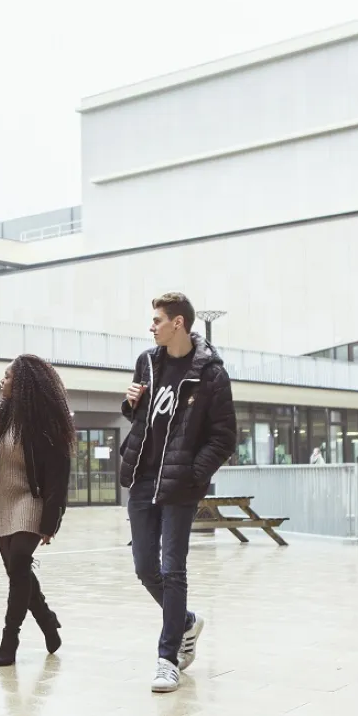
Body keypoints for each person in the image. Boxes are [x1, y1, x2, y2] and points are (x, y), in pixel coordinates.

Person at [121, 293, 236, 693]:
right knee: (144, 567)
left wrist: (192, 474)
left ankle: (167, 658)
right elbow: (142, 417)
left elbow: (224, 437)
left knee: (173, 569)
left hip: (179, 485)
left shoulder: (211, 374)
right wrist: (129, 404)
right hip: (142, 478)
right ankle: (185, 621)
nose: (151, 327)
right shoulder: (147, 362)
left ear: (179, 323)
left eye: (157, 320)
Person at [0, 354, 72, 668]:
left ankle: (10, 639)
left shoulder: (46, 424)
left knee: (18, 561)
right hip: (5, 500)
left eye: (7, 376)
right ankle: (46, 618)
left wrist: (50, 523)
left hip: (33, 499)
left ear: (22, 383)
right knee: (18, 571)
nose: (1, 381)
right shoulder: (0, 415)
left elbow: (58, 477)